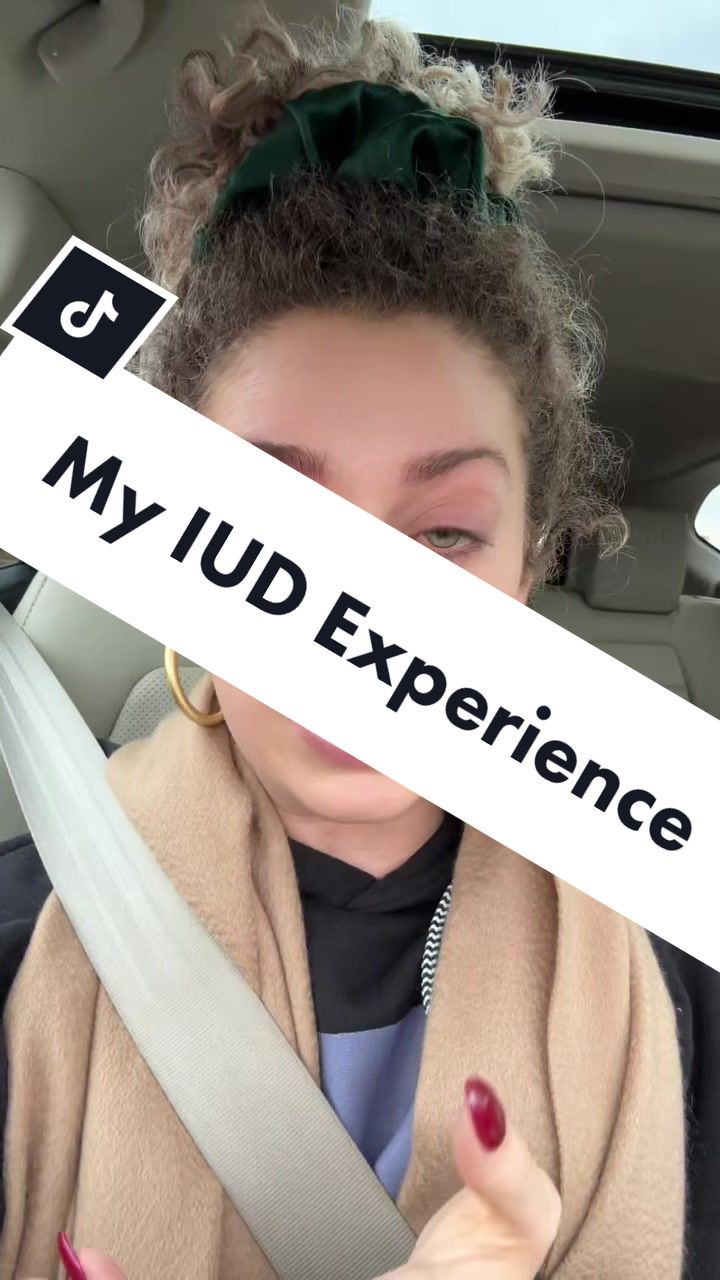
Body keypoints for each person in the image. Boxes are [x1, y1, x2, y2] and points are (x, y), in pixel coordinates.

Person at [0, 7, 718, 1278]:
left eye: (443, 533)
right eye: (268, 527)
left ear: (527, 568)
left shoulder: (686, 951)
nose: (357, 616)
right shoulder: (26, 937)